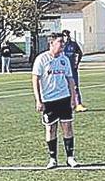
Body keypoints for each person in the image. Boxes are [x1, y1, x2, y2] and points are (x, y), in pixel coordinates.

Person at [33, 32, 80, 169]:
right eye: (60, 42)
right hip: (49, 100)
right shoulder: (41, 59)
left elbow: (70, 80)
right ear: (51, 43)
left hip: (64, 98)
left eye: (63, 42)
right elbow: (35, 79)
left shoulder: (64, 59)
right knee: (51, 128)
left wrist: (73, 98)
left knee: (67, 127)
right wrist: (38, 100)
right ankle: (52, 159)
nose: (63, 45)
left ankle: (70, 158)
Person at [62, 30, 87, 112]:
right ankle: (66, 105)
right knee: (63, 87)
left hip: (72, 69)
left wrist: (77, 63)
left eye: (68, 35)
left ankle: (78, 104)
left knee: (75, 86)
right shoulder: (60, 45)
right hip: (63, 70)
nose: (67, 37)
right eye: (65, 35)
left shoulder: (73, 44)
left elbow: (80, 53)